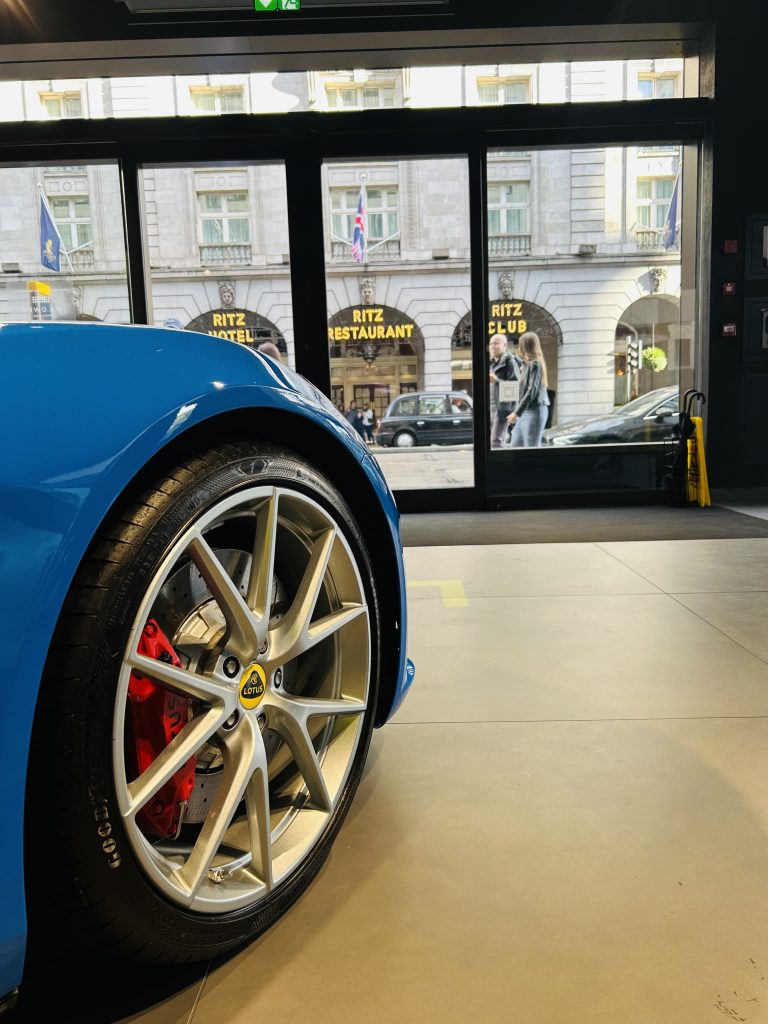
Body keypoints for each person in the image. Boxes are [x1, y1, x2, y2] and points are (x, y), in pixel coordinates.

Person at [507, 331, 550, 448]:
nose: (519, 347)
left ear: (525, 346)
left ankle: (536, 467)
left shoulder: (535, 364)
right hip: (526, 411)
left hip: (535, 410)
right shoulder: (527, 364)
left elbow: (531, 392)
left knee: (531, 447)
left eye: (520, 344)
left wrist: (516, 412)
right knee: (516, 445)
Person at [488, 333, 522, 449]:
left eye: (496, 343)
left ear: (505, 345)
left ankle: (498, 466)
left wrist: (496, 381)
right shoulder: (490, 362)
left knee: (496, 442)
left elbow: (516, 387)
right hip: (491, 407)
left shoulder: (510, 361)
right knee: (493, 441)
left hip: (502, 408)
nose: (493, 346)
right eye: (491, 343)